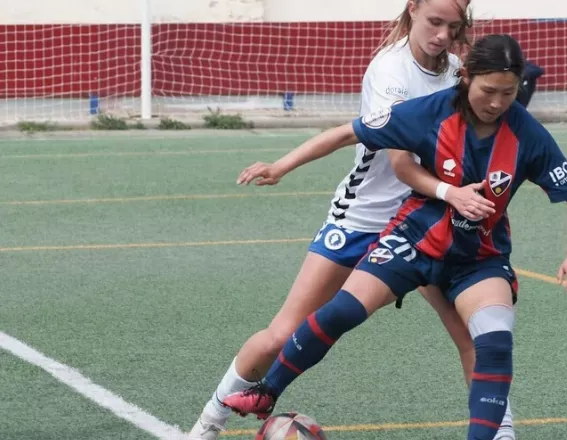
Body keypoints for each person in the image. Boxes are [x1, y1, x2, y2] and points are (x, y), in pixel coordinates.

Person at [223, 34, 567, 440]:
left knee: (495, 338)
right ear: (466, 78)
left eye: (508, 93)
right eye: (488, 91)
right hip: (414, 238)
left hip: (478, 256)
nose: (497, 102)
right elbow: (347, 133)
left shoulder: (527, 133)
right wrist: (282, 165)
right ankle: (267, 390)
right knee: (342, 310)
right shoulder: (428, 112)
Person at [188, 2, 518, 439]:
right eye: (434, 22)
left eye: (452, 27)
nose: (441, 34)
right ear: (413, 9)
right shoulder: (390, 72)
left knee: (473, 337)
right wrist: (283, 165)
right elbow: (399, 163)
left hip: (424, 220)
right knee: (284, 332)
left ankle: (502, 433)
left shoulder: (458, 70)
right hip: (364, 216)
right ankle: (209, 422)